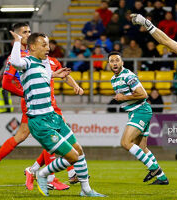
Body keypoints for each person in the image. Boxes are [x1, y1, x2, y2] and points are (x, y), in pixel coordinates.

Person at [0, 23, 84, 191]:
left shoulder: (44, 56)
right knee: (39, 135)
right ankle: (48, 173)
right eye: (24, 32)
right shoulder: (19, 58)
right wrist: (28, 93)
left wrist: (75, 85)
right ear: (18, 37)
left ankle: (46, 172)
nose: (27, 34)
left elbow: (59, 73)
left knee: (34, 136)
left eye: (29, 31)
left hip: (49, 103)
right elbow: (7, 83)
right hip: (36, 105)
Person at [7, 31, 105, 197]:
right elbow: (16, 62)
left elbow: (42, 75)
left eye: (48, 44)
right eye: (43, 44)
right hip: (39, 122)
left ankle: (86, 190)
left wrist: (54, 74)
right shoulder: (26, 62)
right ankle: (42, 174)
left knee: (79, 151)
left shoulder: (44, 64)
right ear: (31, 47)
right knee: (73, 157)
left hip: (54, 117)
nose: (48, 48)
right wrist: (17, 41)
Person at [108, 51, 169, 185]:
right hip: (136, 112)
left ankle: (154, 169)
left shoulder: (128, 75)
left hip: (140, 111)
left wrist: (123, 97)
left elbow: (143, 94)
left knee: (125, 143)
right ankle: (162, 178)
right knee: (141, 146)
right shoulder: (113, 79)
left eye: (117, 60)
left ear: (122, 63)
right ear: (109, 65)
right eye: (112, 61)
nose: (114, 63)